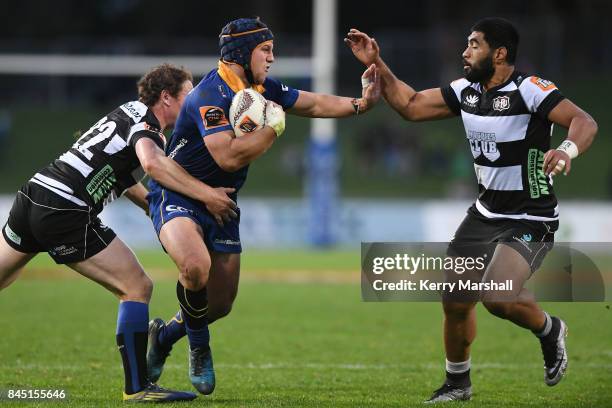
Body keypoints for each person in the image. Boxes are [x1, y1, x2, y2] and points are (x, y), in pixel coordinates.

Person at [345, 17, 598, 403]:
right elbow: (411, 106)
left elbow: (584, 121)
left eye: (474, 44)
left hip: (530, 215)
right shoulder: (466, 91)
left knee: (498, 296)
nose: (465, 51)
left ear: (499, 53)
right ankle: (457, 383)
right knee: (455, 298)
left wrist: (566, 149)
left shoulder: (528, 89)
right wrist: (376, 64)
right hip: (485, 213)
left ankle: (550, 329)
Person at [145, 17, 380, 395]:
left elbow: (313, 101)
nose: (272, 58)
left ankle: (165, 335)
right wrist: (273, 127)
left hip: (224, 203)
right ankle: (199, 349)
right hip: (180, 194)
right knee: (194, 266)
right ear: (241, 53)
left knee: (219, 304)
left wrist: (360, 104)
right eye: (265, 50)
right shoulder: (209, 94)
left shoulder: (259, 88)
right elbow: (229, 159)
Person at [0, 64, 238, 402]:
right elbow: (153, 163)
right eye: (189, 92)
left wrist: (155, 207)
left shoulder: (128, 112)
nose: (195, 99)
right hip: (65, 209)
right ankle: (138, 389)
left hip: (35, 194)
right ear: (166, 97)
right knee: (137, 287)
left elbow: (126, 178)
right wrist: (207, 195)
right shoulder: (149, 128)